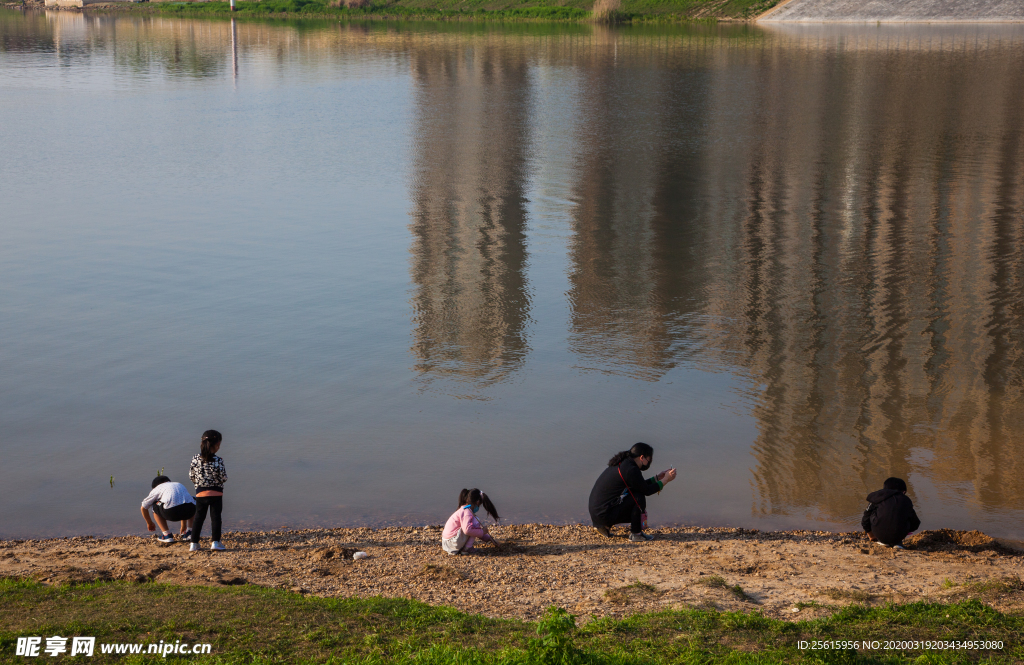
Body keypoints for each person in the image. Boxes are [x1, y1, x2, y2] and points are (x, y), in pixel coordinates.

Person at [588, 442, 676, 541]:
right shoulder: (631, 469)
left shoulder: (624, 463)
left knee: (635, 494)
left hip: (598, 514)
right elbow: (646, 490)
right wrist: (665, 480)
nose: (649, 463)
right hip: (603, 515)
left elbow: (639, 485)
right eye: (649, 460)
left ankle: (604, 526)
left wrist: (656, 478)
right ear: (642, 457)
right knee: (638, 498)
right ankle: (636, 534)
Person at [188, 430, 228, 552]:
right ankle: (215, 542)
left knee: (199, 518)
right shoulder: (218, 460)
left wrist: (199, 484)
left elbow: (191, 476)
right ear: (217, 444)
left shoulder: (195, 458)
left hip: (201, 493)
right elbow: (223, 478)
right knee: (216, 518)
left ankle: (194, 543)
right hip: (216, 493)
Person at [862, 477, 921, 549]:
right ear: (903, 492)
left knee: (871, 513)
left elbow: (865, 519)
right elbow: (915, 523)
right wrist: (906, 530)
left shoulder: (877, 498)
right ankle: (897, 543)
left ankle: (882, 541)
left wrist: (871, 536)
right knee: (906, 517)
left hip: (878, 534)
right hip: (898, 535)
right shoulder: (905, 500)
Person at [441, 488, 500, 555]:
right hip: (451, 543)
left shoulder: (463, 509)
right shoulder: (467, 512)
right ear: (477, 502)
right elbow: (467, 530)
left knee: (473, 525)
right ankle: (467, 549)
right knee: (475, 523)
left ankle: (465, 547)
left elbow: (474, 531)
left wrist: (489, 538)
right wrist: (482, 531)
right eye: (479, 505)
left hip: (447, 543)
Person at [141, 476, 196, 544]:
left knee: (155, 504)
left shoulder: (157, 488)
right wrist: (183, 525)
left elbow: (144, 507)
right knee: (192, 500)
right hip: (190, 510)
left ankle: (167, 535)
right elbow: (182, 503)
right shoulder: (178, 484)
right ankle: (190, 532)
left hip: (170, 512)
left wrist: (149, 523)